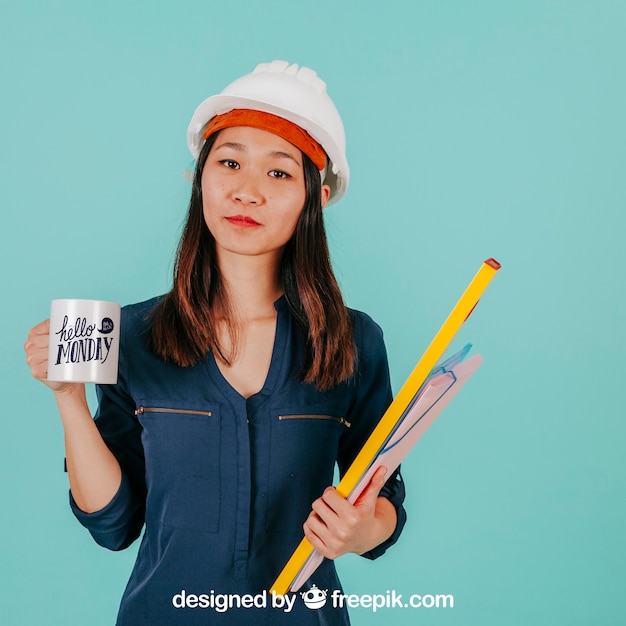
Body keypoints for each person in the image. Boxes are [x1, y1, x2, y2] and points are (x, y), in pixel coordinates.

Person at [24, 60, 407, 625]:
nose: (246, 191)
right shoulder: (131, 335)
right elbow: (113, 524)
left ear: (317, 196)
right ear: (198, 178)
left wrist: (360, 530)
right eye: (228, 163)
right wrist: (67, 398)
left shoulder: (352, 341)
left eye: (279, 173)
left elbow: (383, 504)